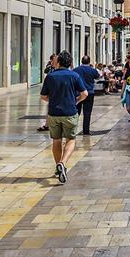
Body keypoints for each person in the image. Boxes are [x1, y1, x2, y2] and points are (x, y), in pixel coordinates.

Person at [40, 50, 87, 184]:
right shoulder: (74, 76)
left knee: (56, 141)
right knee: (71, 139)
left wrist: (53, 99)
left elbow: (43, 96)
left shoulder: (50, 76)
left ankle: (57, 167)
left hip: (54, 113)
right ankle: (63, 163)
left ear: (59, 62)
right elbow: (85, 94)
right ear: (70, 63)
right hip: (70, 112)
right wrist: (75, 101)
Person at [73, 56, 99, 135]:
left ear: (81, 61)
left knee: (76, 112)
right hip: (89, 93)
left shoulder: (76, 70)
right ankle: (86, 131)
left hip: (78, 93)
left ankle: (73, 129)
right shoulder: (92, 70)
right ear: (89, 61)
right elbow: (97, 76)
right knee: (87, 113)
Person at [37, 54, 58, 132]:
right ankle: (47, 125)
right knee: (49, 108)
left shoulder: (58, 69)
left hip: (55, 91)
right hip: (50, 90)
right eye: (52, 60)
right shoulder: (50, 68)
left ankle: (50, 125)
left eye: (53, 60)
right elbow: (45, 71)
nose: (52, 62)